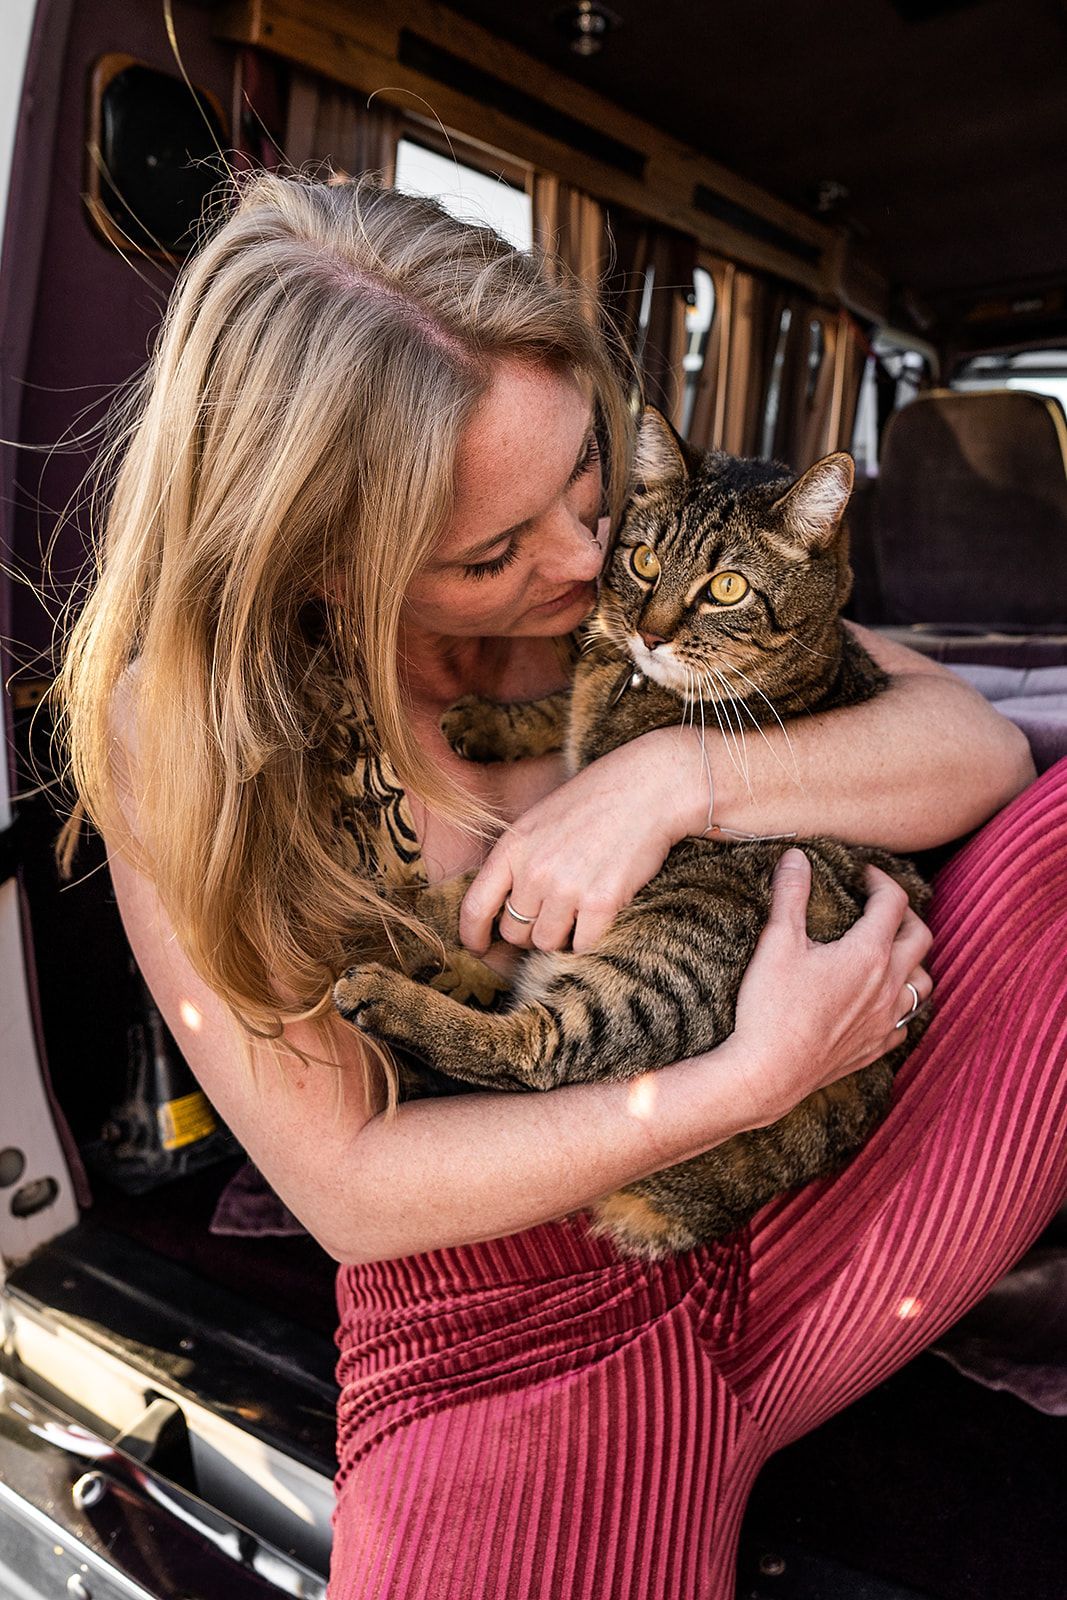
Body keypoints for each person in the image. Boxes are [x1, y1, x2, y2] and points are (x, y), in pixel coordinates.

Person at [55, 173, 1066, 1600]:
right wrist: (753, 1076)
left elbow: (969, 742)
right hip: (514, 1332)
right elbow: (348, 1189)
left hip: (817, 1211)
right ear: (327, 568)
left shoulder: (642, 582)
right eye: (492, 552)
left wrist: (668, 785)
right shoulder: (182, 732)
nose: (588, 564)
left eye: (584, 476)